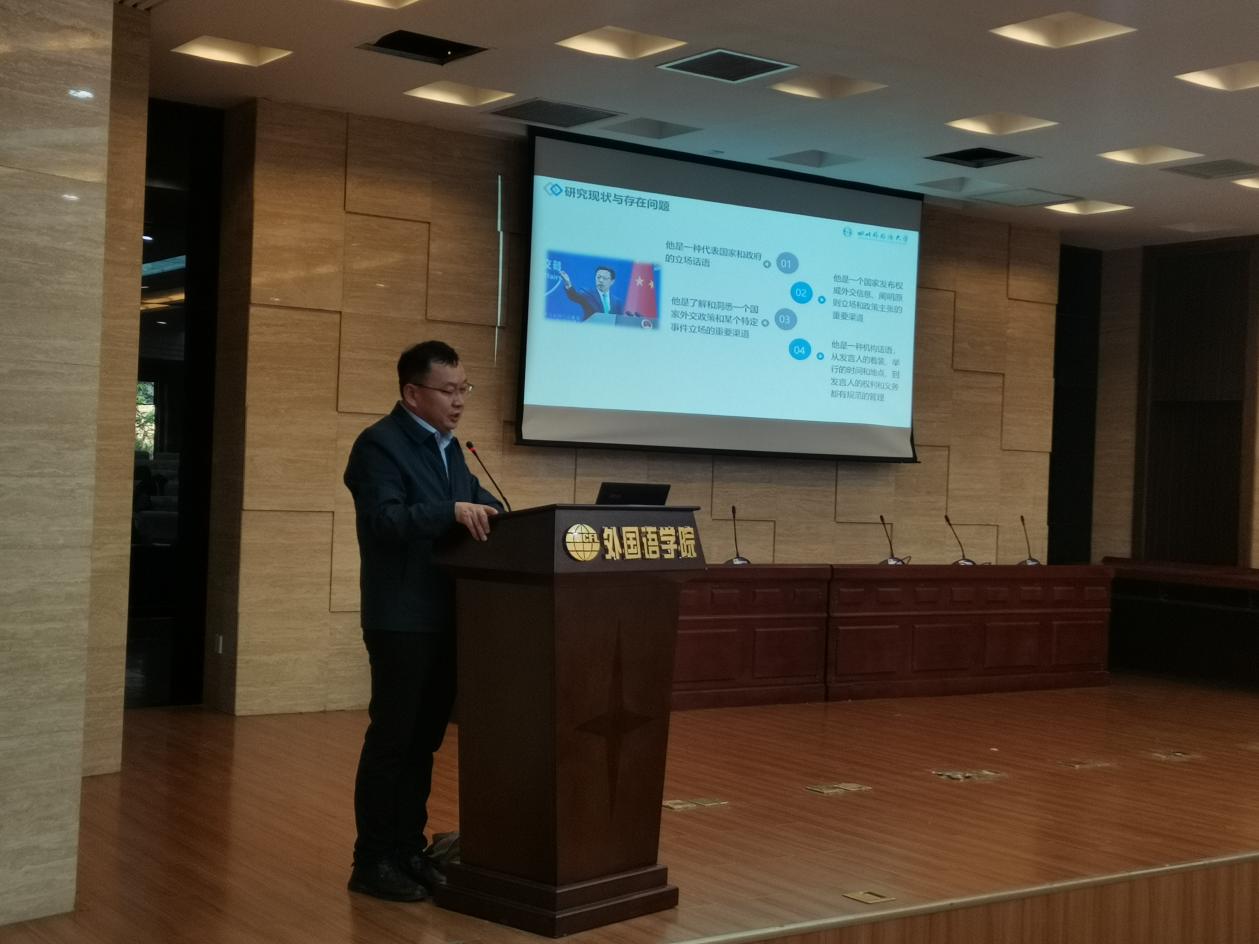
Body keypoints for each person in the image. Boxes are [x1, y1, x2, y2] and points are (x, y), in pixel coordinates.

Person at [343, 340, 503, 902]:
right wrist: (450, 511)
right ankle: (372, 860)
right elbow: (384, 521)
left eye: (464, 390)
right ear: (413, 393)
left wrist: (511, 517)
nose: (459, 401)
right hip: (401, 618)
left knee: (422, 744)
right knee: (393, 741)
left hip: (444, 615)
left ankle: (407, 850)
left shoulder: (451, 450)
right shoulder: (379, 444)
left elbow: (479, 502)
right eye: (448, 391)